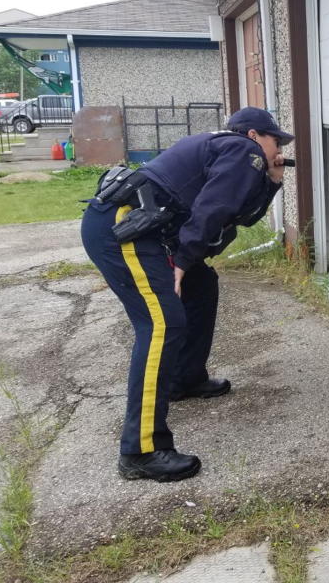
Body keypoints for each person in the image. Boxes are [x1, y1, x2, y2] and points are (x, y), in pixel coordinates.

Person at [81, 107, 293, 482]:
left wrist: (274, 180)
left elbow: (238, 214)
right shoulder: (243, 150)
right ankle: (141, 449)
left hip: (143, 229)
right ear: (255, 134)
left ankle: (185, 378)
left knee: (201, 286)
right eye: (277, 140)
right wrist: (180, 262)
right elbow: (213, 209)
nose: (278, 148)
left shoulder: (237, 155)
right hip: (126, 229)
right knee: (162, 324)